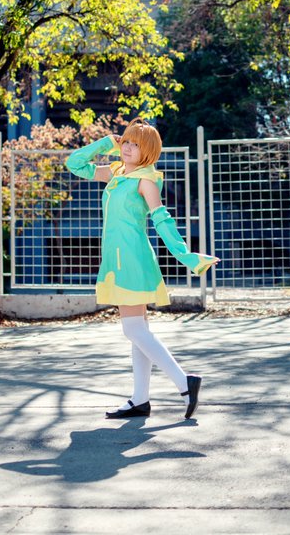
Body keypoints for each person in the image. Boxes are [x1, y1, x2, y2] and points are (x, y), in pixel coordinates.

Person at [65, 117, 219, 419]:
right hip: (117, 258)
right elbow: (75, 163)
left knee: (133, 328)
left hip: (131, 258)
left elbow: (162, 219)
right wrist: (105, 143)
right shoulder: (116, 172)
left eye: (136, 144)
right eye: (126, 141)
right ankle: (140, 400)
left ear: (148, 151)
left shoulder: (145, 180)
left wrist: (186, 255)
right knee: (139, 331)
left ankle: (184, 382)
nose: (128, 147)